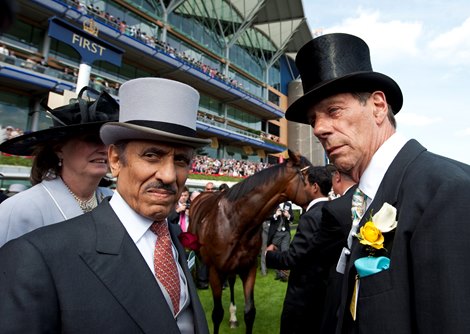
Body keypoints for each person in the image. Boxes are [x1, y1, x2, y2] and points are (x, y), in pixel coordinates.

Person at [285, 32, 470, 333]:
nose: (319, 128)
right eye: (313, 120)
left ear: (379, 106)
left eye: (333, 110)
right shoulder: (364, 198)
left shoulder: (444, 192)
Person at [0, 77, 211, 333]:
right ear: (115, 160)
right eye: (151, 155)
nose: (168, 175)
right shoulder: (34, 253)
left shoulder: (170, 237)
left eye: (181, 160)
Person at [0, 87, 118, 247]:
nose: (104, 149)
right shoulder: (21, 209)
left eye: (107, 141)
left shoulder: (113, 200)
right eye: (91, 139)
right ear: (58, 149)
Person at [266, 166, 331, 333]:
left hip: (303, 298)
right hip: (323, 294)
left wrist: (269, 255)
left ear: (315, 187)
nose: (303, 188)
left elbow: (292, 258)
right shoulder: (332, 210)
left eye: (306, 184)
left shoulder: (311, 216)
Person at [267, 201, 294, 281]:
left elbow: (292, 218)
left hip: (285, 233)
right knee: (275, 252)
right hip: (276, 233)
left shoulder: (288, 204)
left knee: (284, 252)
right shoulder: (273, 203)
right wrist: (275, 215)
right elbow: (267, 216)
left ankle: (283, 275)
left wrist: (288, 215)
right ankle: (278, 273)